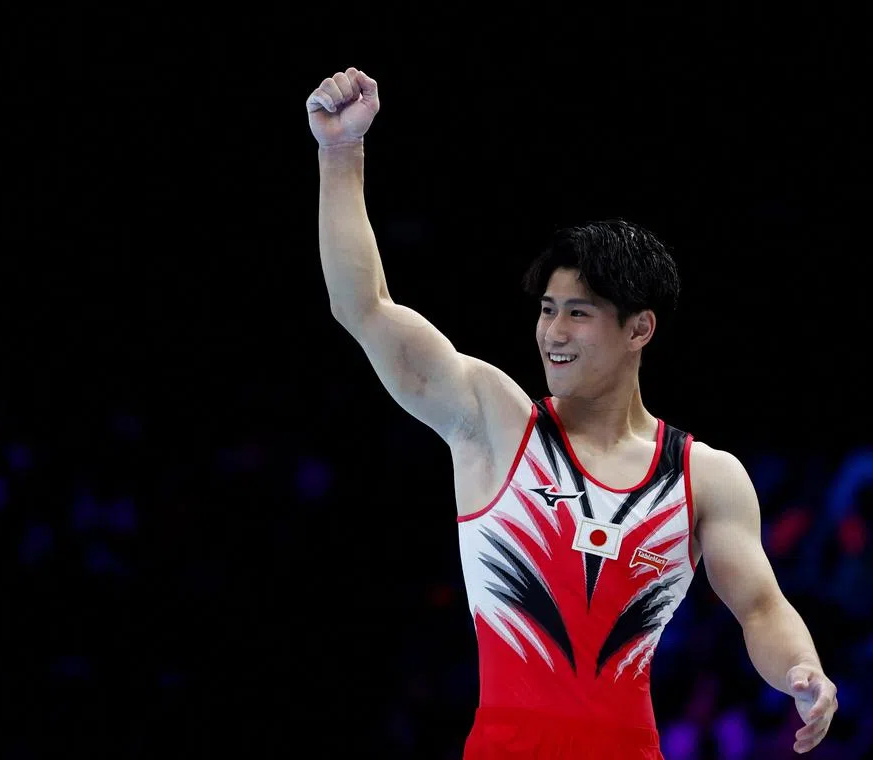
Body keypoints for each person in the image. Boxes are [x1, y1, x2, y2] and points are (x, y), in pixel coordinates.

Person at [307, 67, 839, 758]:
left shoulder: (704, 476)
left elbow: (761, 608)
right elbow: (365, 308)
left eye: (578, 314)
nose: (553, 333)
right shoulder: (493, 421)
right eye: (547, 311)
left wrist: (802, 672)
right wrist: (340, 155)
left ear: (639, 329)